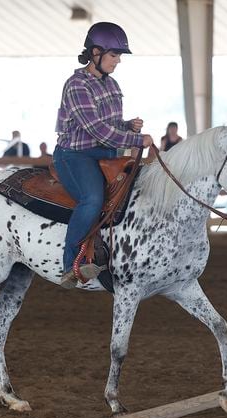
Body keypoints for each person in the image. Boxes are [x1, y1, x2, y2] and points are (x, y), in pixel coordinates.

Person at [53, 21, 153, 289]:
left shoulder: (111, 85)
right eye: (114, 55)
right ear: (95, 52)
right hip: (75, 155)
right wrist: (135, 138)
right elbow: (97, 130)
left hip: (105, 154)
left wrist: (127, 125)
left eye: (119, 56)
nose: (117, 61)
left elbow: (108, 125)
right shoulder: (76, 85)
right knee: (93, 198)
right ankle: (69, 264)